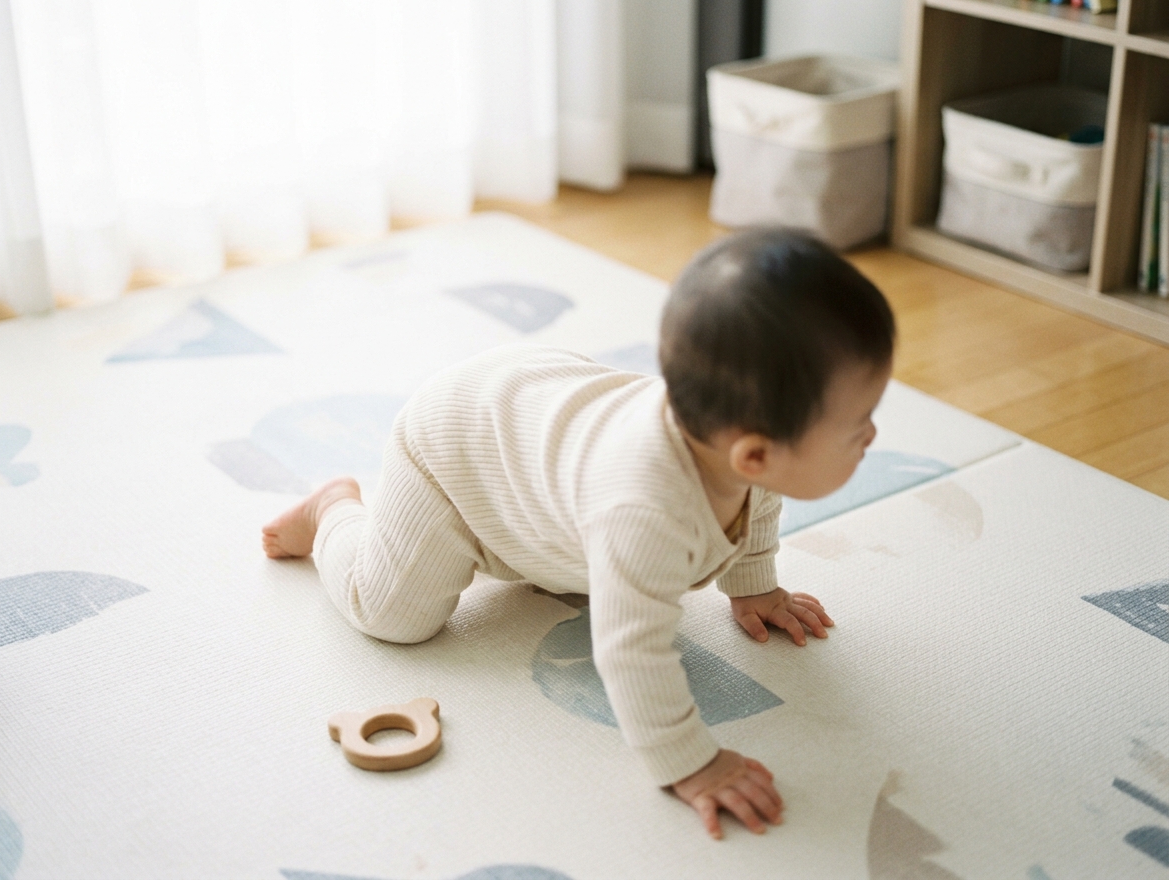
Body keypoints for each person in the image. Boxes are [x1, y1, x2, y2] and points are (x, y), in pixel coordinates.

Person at [262, 228, 896, 839]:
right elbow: (630, 652)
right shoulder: (644, 514)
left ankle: (534, 528)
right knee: (392, 615)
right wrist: (690, 760)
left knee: (592, 558)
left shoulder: (737, 454)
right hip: (455, 453)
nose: (871, 435)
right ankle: (333, 511)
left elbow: (759, 503)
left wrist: (753, 585)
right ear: (754, 454)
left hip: (535, 410)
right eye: (859, 425)